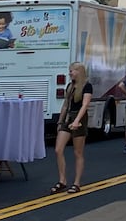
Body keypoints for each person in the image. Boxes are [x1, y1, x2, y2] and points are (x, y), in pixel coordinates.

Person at [49, 61, 91, 193]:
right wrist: (60, 122)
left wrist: (77, 120)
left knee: (77, 152)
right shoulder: (70, 86)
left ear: (79, 71)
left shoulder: (87, 86)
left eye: (72, 70)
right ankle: (62, 180)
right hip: (67, 118)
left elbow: (85, 105)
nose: (70, 73)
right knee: (58, 149)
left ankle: (77, 183)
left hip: (79, 118)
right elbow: (66, 104)